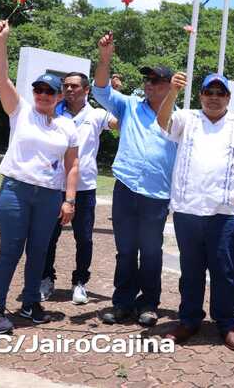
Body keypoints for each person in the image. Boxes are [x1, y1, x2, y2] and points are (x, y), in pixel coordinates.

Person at [0, 19, 79, 334]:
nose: (42, 94)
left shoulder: (67, 126)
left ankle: (30, 302)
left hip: (49, 196)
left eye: (49, 91)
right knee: (10, 251)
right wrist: (2, 41)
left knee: (39, 252)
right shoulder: (21, 111)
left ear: (59, 97)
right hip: (16, 191)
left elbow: (72, 165)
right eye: (38, 89)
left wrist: (69, 200)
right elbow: (2, 77)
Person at [157, 72, 234, 351]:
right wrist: (173, 92)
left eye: (220, 93)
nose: (214, 98)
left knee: (224, 270)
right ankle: (189, 320)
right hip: (187, 207)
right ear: (200, 95)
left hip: (224, 211)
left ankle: (227, 324)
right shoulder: (186, 118)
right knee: (191, 269)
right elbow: (162, 122)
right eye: (208, 92)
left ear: (228, 97)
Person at [92, 32, 178, 327]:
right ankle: (122, 303)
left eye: (156, 80)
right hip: (126, 189)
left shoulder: (179, 118)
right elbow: (100, 90)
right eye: (147, 79)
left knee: (151, 252)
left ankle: (149, 303)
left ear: (170, 85)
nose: (149, 84)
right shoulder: (129, 105)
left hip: (157, 195)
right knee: (126, 250)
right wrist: (105, 58)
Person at [40, 72, 117, 305]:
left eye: (74, 86)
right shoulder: (53, 112)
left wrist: (115, 95)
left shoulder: (97, 114)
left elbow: (119, 124)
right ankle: (46, 278)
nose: (69, 89)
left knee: (83, 239)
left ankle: (80, 282)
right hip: (53, 186)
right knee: (48, 237)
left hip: (84, 188)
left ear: (86, 90)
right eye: (66, 86)